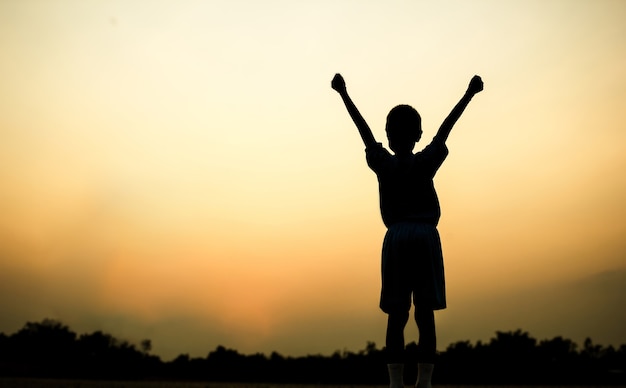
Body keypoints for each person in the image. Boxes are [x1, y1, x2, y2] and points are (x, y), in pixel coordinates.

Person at [331, 73, 483, 388]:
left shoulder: (384, 163)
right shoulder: (425, 161)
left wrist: (343, 93)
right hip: (425, 236)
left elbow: (363, 131)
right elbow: (445, 129)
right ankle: (425, 382)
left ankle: (396, 383)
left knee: (396, 314)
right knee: (424, 313)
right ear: (418, 135)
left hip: (397, 237)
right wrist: (469, 94)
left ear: (388, 136)